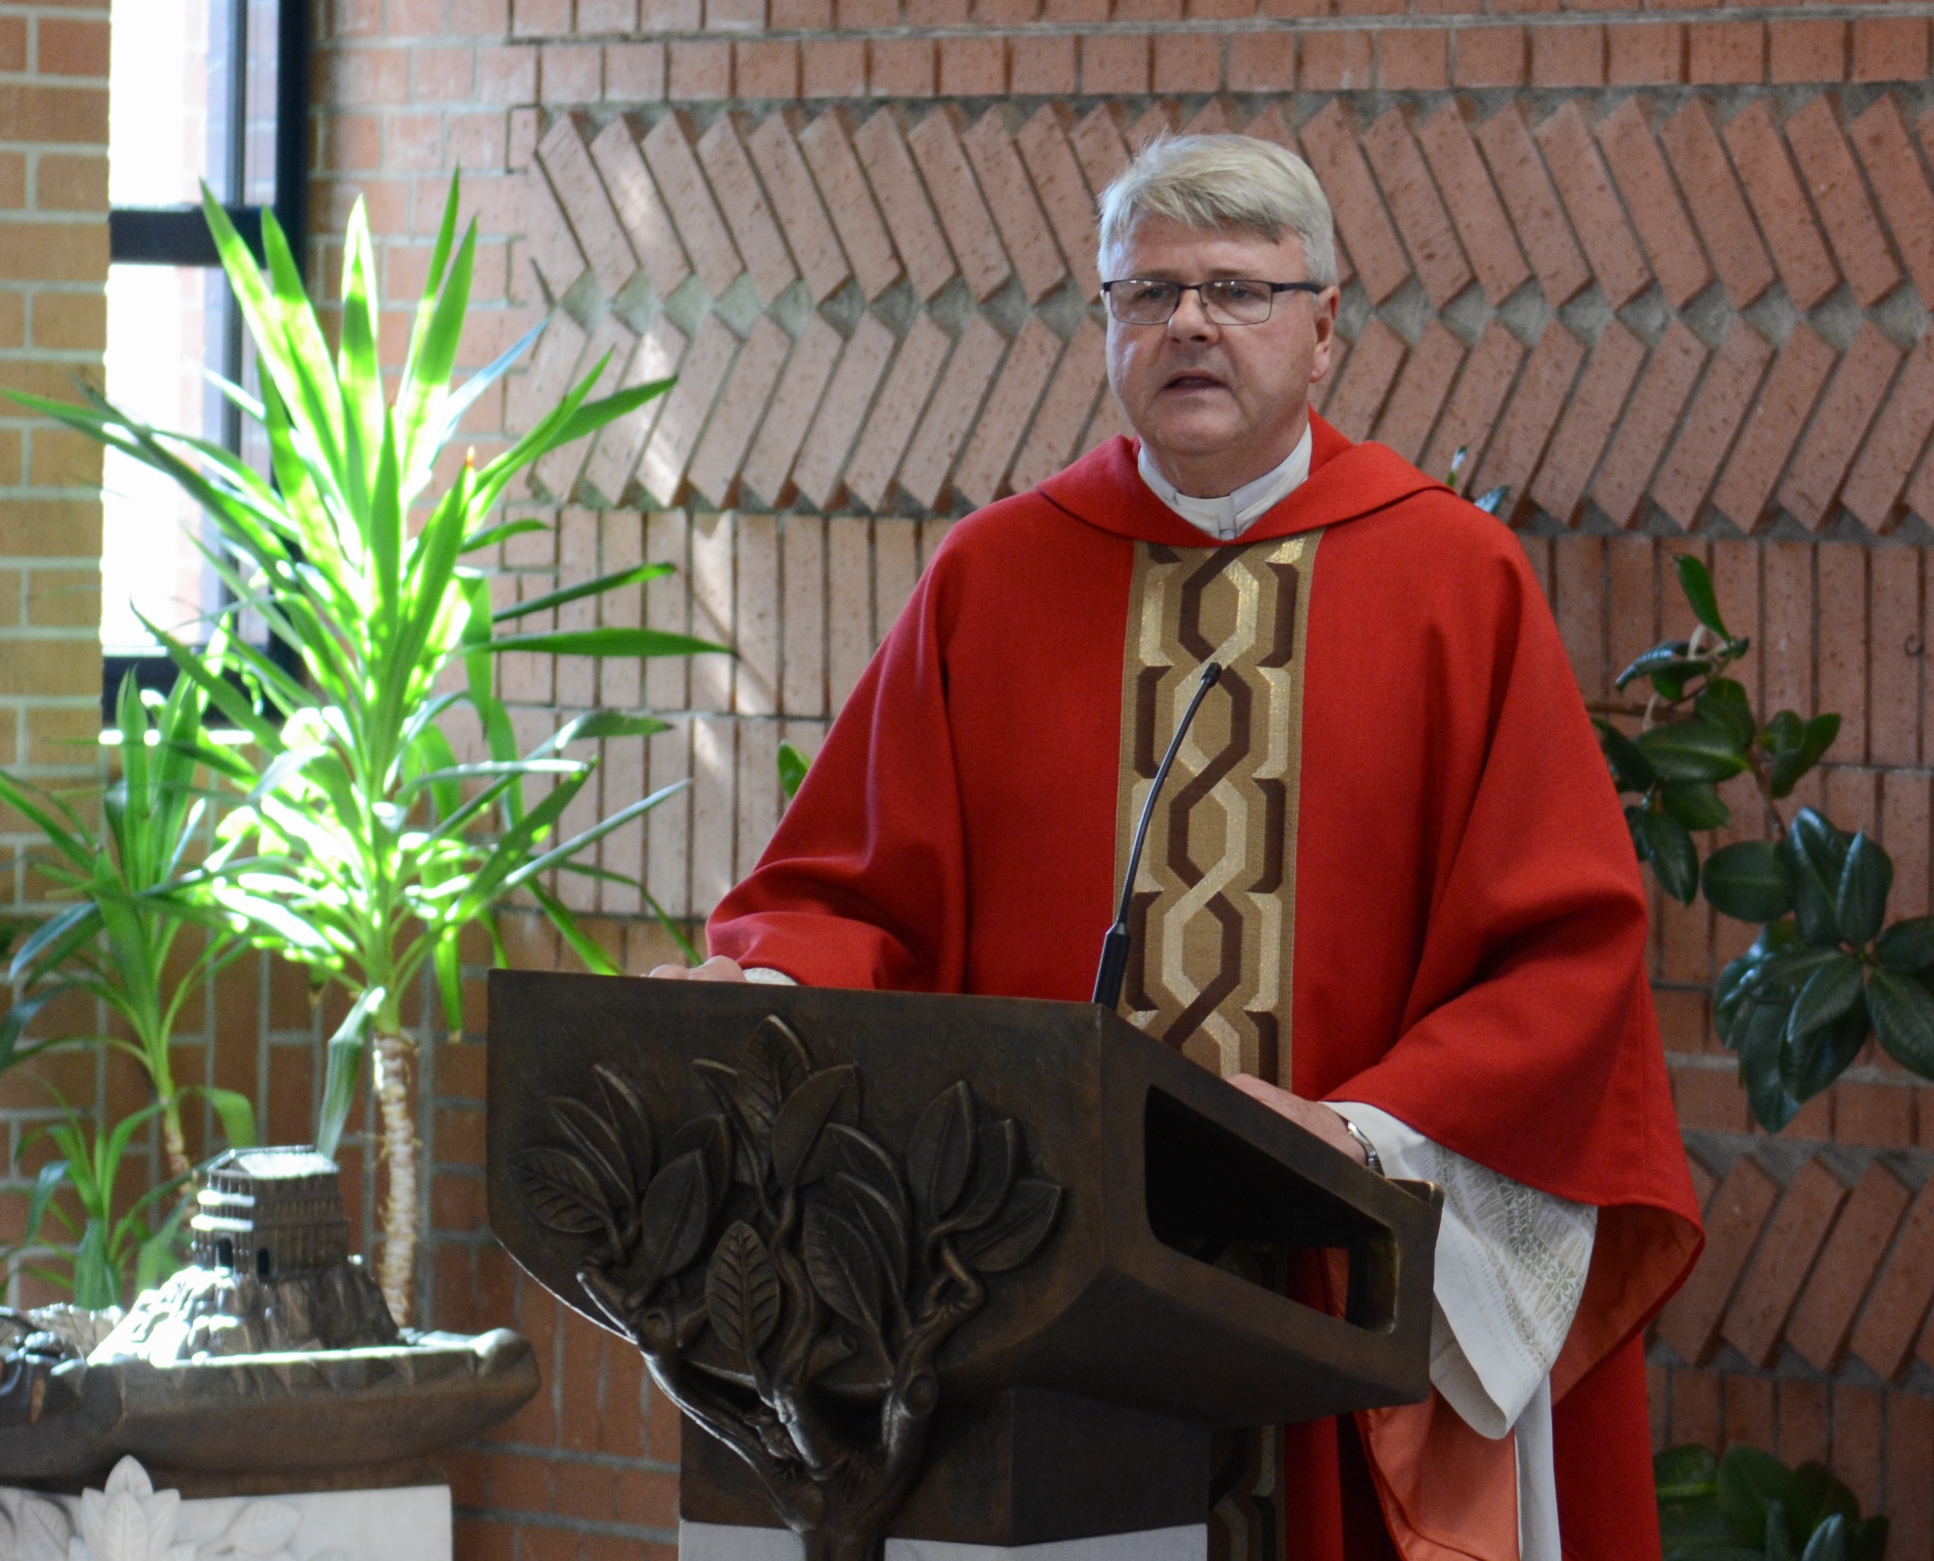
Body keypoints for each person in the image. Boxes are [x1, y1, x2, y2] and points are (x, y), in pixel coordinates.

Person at [657, 134, 1701, 1561]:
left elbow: (1567, 952)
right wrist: (770, 995)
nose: (1190, 326)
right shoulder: (999, 576)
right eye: (1147, 294)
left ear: (1325, 329)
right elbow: (854, 886)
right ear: (1105, 326)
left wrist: (1366, 1129)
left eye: (1238, 291)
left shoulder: (1453, 582)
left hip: (1329, 1265)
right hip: (1029, 1287)